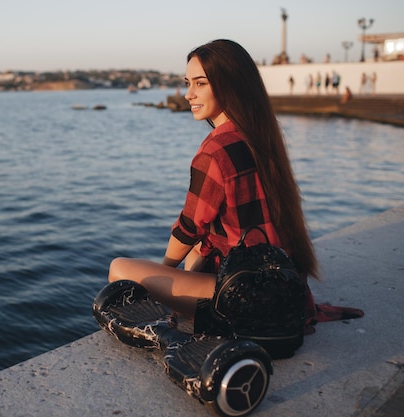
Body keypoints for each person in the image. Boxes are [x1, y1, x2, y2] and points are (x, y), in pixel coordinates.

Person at [108, 39, 319, 319]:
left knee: (120, 269)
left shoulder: (216, 150)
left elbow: (188, 226)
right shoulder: (261, 134)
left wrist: (164, 272)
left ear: (229, 84)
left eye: (200, 83)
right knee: (200, 248)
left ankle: (174, 325)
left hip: (249, 298)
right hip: (285, 286)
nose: (188, 94)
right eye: (188, 83)